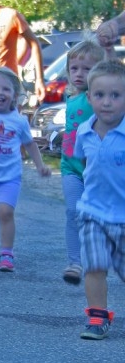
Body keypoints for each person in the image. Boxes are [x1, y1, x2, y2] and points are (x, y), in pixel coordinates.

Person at [0, 67, 51, 272]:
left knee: (6, 212)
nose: (0, 93)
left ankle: (7, 253)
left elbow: (30, 144)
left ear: (15, 96)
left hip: (10, 177)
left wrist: (40, 165)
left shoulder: (19, 121)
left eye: (6, 89)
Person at [73, 59, 125, 340]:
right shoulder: (84, 131)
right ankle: (97, 316)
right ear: (89, 97)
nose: (107, 102)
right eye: (100, 95)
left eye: (116, 95)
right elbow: (85, 165)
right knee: (94, 265)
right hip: (92, 213)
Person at [59, 38, 105, 286]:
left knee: (99, 217)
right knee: (72, 212)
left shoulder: (95, 98)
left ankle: (99, 257)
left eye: (86, 69)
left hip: (96, 169)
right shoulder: (71, 97)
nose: (79, 74)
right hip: (70, 167)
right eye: (74, 68)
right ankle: (75, 262)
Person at [0, 0, 46, 101]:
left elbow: (34, 43)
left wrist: (39, 80)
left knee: (12, 112)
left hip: (9, 83)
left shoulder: (10, 15)